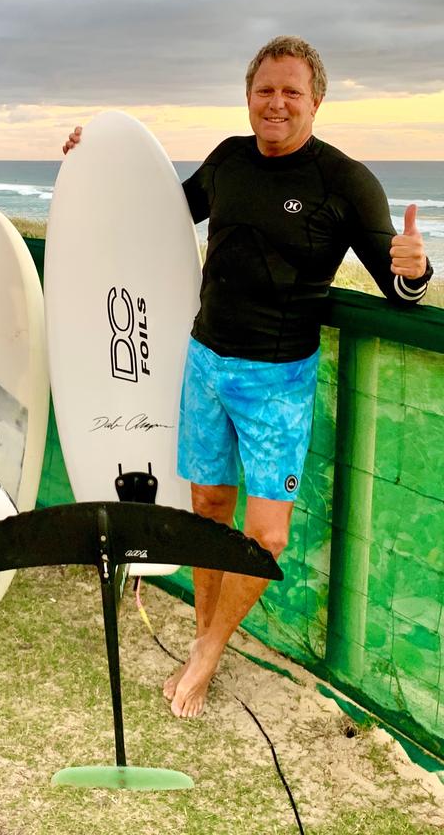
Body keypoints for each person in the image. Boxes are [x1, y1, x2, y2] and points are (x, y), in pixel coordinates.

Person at [64, 35, 432, 720]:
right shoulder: (229, 160)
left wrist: (414, 271)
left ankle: (205, 654)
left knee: (266, 537)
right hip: (204, 364)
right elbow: (155, 214)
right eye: (266, 89)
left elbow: (396, 285)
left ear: (316, 100)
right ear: (248, 96)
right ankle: (210, 636)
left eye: (292, 91)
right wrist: (94, 163)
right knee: (207, 514)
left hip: (279, 383)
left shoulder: (346, 183)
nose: (278, 102)